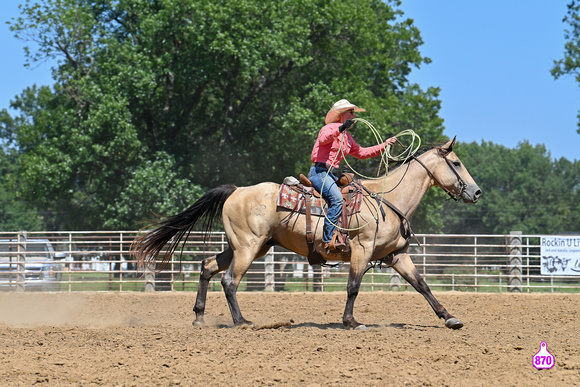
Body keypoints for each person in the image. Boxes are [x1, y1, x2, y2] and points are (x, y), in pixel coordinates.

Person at [309, 99, 397, 251]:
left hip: (332, 175)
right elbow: (323, 139)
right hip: (320, 172)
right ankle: (328, 239)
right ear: (342, 115)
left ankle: (346, 233)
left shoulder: (348, 138)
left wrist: (384, 145)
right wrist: (341, 128)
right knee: (337, 199)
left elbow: (362, 152)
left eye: (354, 112)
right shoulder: (329, 128)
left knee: (355, 193)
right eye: (351, 112)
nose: (354, 115)